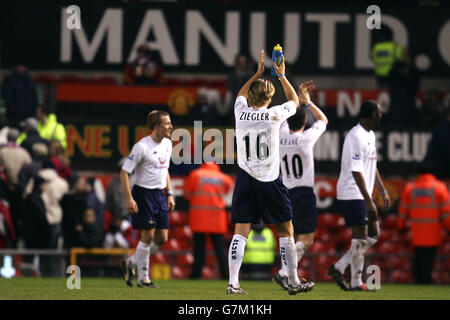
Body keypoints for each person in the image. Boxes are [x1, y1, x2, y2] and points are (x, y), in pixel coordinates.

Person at [227, 50, 307, 295]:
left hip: (244, 178)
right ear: (270, 97)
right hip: (269, 180)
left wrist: (257, 74)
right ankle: (293, 280)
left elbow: (240, 94)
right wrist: (281, 76)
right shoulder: (274, 114)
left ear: (251, 94)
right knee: (286, 229)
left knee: (241, 230)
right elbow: (295, 102)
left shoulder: (240, 111)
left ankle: (233, 283)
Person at [328, 100, 390, 291]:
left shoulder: (369, 135)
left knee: (373, 235)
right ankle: (355, 281)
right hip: (352, 192)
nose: (380, 115)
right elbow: (356, 171)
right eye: (378, 112)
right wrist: (368, 199)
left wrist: (382, 190)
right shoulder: (355, 136)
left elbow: (372, 165)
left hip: (362, 193)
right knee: (361, 237)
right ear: (372, 114)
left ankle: (341, 267)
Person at [272, 80, 328, 290]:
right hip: (304, 192)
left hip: (284, 191)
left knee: (290, 237)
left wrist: (295, 100)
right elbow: (323, 120)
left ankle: (288, 275)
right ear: (304, 123)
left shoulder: (281, 134)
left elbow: (288, 114)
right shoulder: (306, 138)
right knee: (307, 239)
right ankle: (284, 272)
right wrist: (309, 103)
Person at [120, 110, 175, 288]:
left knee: (162, 238)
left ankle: (131, 263)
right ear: (157, 127)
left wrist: (170, 192)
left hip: (160, 194)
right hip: (143, 194)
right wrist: (129, 198)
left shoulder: (167, 144)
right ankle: (144, 279)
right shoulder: (141, 146)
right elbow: (124, 172)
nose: (171, 126)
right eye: (167, 123)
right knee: (148, 236)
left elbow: (164, 169)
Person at [397, 166, 450, 284]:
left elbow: (402, 211)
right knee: (429, 260)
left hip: (416, 234)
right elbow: (446, 213)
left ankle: (418, 280)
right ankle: (426, 280)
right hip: (433, 234)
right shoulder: (439, 188)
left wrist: (400, 227)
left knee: (418, 258)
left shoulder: (410, 188)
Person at [184, 162, 233, 280]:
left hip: (199, 218)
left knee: (198, 248)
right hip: (217, 219)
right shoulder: (225, 178)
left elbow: (187, 194)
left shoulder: (195, 175)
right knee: (220, 249)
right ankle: (226, 275)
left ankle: (196, 274)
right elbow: (227, 193)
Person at [1, 64, 37, 129]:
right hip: (15, 115)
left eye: (24, 66)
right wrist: (12, 110)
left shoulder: (28, 78)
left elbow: (33, 97)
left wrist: (32, 111)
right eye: (21, 66)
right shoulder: (9, 79)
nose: (22, 68)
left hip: (28, 113)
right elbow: (7, 96)